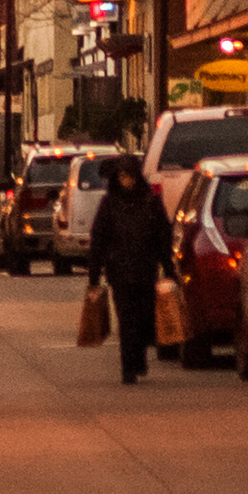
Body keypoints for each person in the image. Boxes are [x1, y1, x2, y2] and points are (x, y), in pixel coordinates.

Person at [85, 150, 174, 384]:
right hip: (120, 272)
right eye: (123, 176)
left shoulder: (150, 202)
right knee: (126, 320)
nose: (127, 181)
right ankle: (129, 367)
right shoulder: (110, 204)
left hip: (146, 270)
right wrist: (94, 276)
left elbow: (162, 237)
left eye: (130, 176)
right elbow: (99, 239)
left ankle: (140, 359)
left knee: (144, 319)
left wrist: (169, 269)